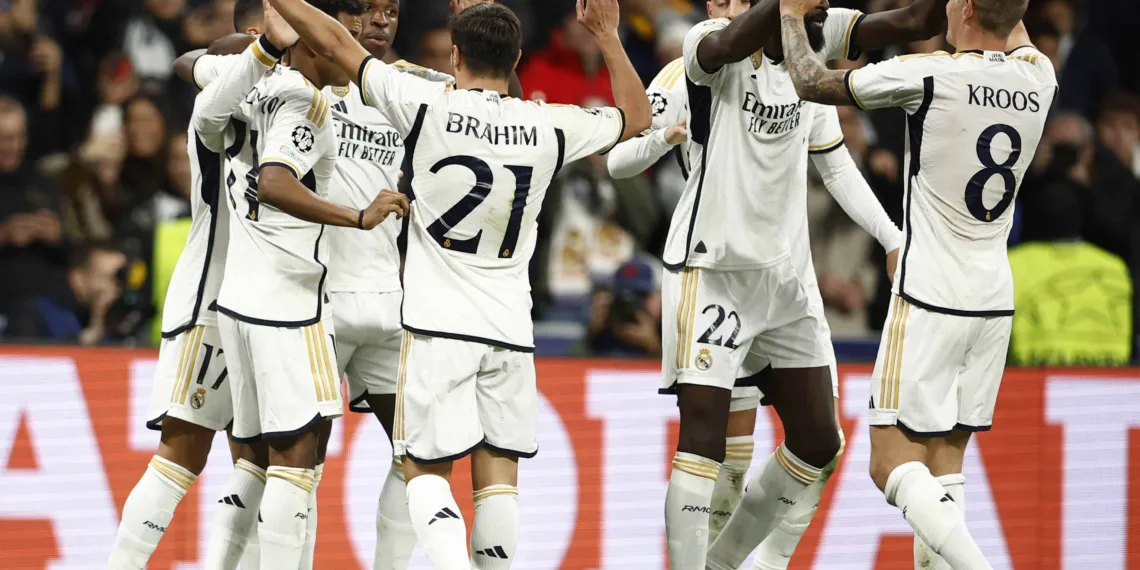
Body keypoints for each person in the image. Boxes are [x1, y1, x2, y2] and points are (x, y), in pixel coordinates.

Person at [264, 0, 649, 568]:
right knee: (498, 483)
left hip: (438, 325)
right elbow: (636, 118)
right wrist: (610, 37)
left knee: (423, 470)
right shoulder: (549, 123)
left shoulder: (424, 104)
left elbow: (338, 43)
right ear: (517, 59)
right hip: (511, 328)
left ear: (454, 56)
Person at [643, 0, 949, 567]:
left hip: (783, 280)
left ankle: (722, 562)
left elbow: (912, 24)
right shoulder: (709, 41)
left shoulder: (815, 38)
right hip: (712, 271)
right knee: (706, 443)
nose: (825, 10)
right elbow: (725, 45)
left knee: (819, 441)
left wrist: (892, 239)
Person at [778, 0, 1056, 566]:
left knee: (890, 463)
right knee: (944, 465)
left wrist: (787, 13)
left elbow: (809, 81)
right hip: (992, 299)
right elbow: (1010, 20)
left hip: (929, 294)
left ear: (967, 7)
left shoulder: (928, 75)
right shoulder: (1039, 75)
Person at [203, 1, 407, 568]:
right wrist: (358, 216)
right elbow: (274, 182)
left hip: (242, 298)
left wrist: (262, 47)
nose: (350, 48)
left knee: (256, 463)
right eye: (341, 34)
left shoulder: (251, 82)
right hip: (295, 304)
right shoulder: (308, 100)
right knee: (297, 462)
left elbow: (197, 72)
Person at [105, 2, 294, 569]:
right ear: (258, 30)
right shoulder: (228, 80)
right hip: (212, 295)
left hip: (265, 302)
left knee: (258, 462)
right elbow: (197, 60)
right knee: (182, 452)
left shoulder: (287, 94)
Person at [4, 241, 125, 344]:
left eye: (120, 279)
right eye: (109, 278)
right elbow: (26, 359)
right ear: (78, 277)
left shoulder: (117, 315)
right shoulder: (33, 312)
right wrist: (93, 333)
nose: (116, 287)